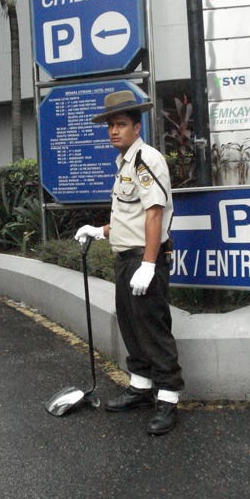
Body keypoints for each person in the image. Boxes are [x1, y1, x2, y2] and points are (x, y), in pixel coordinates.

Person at [75, 90, 184, 436]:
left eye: (121, 124)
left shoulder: (145, 160)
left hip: (143, 258)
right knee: (131, 325)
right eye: (110, 125)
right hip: (127, 257)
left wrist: (149, 265)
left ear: (137, 127)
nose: (114, 131)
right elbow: (130, 215)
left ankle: (167, 399)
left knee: (152, 327)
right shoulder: (124, 162)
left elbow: (154, 215)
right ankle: (140, 387)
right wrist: (99, 230)